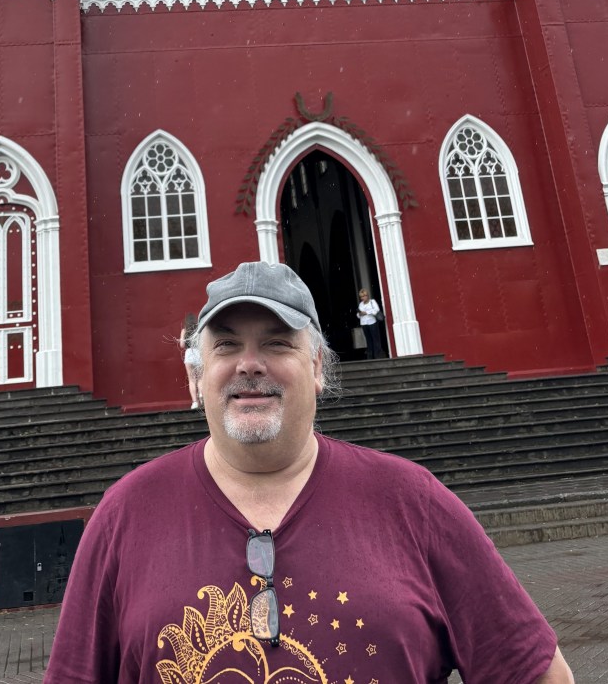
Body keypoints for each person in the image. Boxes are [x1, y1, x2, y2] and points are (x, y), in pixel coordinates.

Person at [45, 260, 574, 684]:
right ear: (195, 377)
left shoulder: (413, 502)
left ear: (318, 367)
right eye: (227, 344)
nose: (250, 363)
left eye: (277, 342)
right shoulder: (125, 516)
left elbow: (536, 673)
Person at [178, 311, 201, 408]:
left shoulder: (184, 330)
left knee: (192, 380)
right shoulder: (199, 329)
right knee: (201, 378)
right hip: (199, 353)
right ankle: (201, 394)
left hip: (189, 354)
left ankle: (195, 402)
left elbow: (182, 345)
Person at [356, 286, 385, 358]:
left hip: (372, 322)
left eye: (364, 296)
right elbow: (358, 315)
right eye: (361, 297)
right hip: (364, 323)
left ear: (367, 295)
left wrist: (366, 312)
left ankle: (378, 355)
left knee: (375, 339)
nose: (363, 298)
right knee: (368, 340)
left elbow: (376, 310)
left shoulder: (372, 302)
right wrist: (359, 314)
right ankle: (370, 356)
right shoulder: (361, 304)